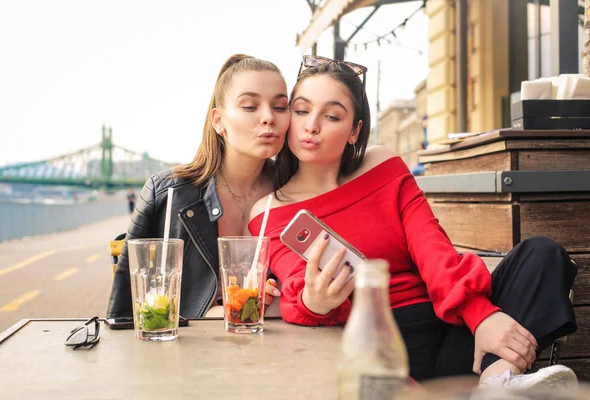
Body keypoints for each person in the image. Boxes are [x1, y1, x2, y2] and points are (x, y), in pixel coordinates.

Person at [248, 55, 578, 389]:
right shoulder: (268, 212)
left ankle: (496, 382)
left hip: (451, 326)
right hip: (376, 350)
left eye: (332, 115)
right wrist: (314, 304)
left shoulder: (383, 164)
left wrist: (482, 318)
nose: (312, 125)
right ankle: (503, 383)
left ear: (355, 131)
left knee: (543, 254)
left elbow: (433, 250)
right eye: (302, 110)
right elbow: (297, 293)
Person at [107, 54, 285, 320]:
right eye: (249, 107)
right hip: (184, 357)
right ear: (218, 120)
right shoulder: (166, 194)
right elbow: (123, 315)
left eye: (281, 107)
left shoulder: (295, 195)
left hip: (277, 354)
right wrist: (210, 315)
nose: (268, 117)